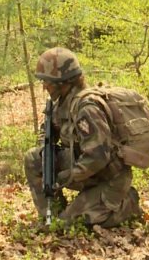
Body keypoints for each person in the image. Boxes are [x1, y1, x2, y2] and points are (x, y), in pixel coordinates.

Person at [23, 47, 142, 228]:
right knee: (34, 158)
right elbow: (48, 129)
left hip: (109, 178)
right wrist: (45, 150)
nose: (44, 86)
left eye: (48, 82)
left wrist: (68, 176)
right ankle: (51, 214)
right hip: (88, 173)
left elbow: (98, 156)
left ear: (63, 81)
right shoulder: (62, 104)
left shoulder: (87, 108)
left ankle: (126, 204)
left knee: (70, 224)